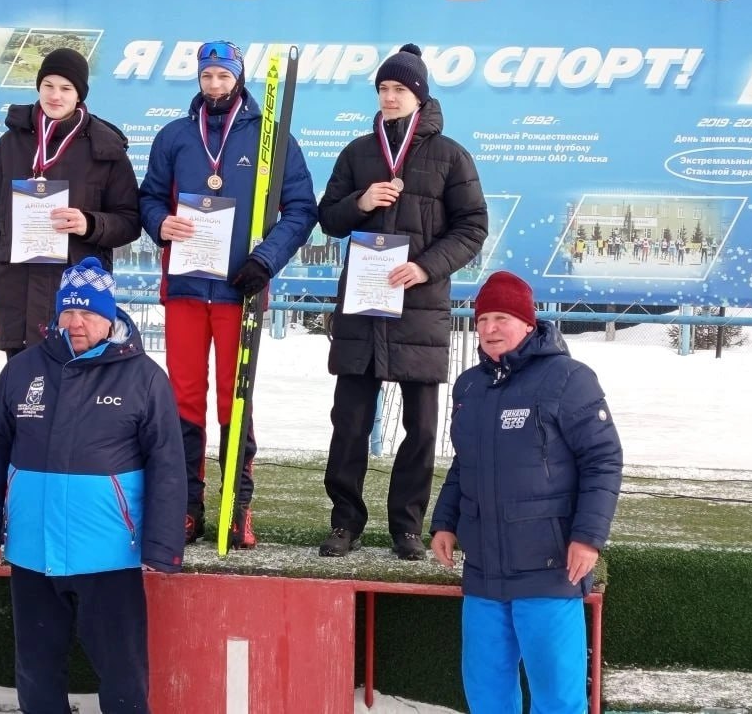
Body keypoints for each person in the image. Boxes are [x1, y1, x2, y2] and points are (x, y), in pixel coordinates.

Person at [0, 256, 186, 714]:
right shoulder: (23, 369)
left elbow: (167, 464)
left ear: (110, 316)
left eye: (87, 312)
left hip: (108, 554)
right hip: (32, 551)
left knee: (123, 676)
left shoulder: (144, 377)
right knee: (36, 674)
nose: (76, 322)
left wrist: (162, 545)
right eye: (68, 311)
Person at [139, 40, 318, 548]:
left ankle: (238, 507)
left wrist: (266, 260)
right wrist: (160, 223)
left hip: (240, 292)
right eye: (207, 76)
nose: (215, 84)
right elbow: (149, 197)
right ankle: (186, 506)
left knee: (233, 399)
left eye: (224, 75)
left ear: (239, 78)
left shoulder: (270, 137)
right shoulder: (175, 136)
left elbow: (301, 208)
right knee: (184, 397)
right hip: (185, 288)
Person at [316, 43, 487, 560]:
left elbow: (472, 227)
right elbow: (329, 218)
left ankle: (407, 527)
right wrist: (361, 201)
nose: (390, 97)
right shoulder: (357, 152)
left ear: (420, 96)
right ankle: (345, 522)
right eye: (383, 89)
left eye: (400, 89)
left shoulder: (451, 155)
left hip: (419, 307)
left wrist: (425, 266)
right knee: (349, 423)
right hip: (363, 306)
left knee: (422, 428)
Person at [429, 271, 623, 713]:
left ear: (528, 323)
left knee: (557, 699)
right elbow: (464, 462)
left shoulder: (569, 378)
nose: (490, 328)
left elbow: (603, 460)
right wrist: (445, 522)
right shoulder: (470, 386)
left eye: (502, 318)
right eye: (482, 320)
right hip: (483, 573)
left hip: (549, 570)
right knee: (486, 695)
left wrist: (588, 538)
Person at [0, 47, 140, 359]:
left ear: (79, 95)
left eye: (66, 88)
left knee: (75, 383)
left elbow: (130, 221)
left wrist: (90, 223)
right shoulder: (9, 145)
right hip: (16, 296)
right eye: (48, 85)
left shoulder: (105, 148)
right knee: (25, 384)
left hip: (78, 302)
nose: (55, 96)